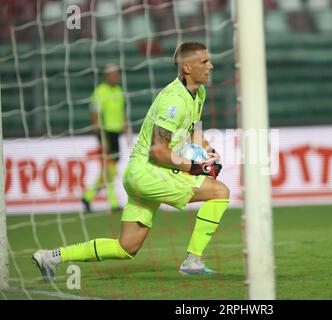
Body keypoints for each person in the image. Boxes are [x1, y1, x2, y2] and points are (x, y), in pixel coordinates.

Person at [32, 41, 229, 279]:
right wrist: (196, 167)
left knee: (127, 247)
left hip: (143, 174)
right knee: (219, 192)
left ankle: (52, 257)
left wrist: (207, 151)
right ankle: (193, 260)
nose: (211, 66)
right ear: (187, 68)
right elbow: (158, 151)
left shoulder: (199, 93)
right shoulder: (173, 101)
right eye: (204, 62)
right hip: (149, 171)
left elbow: (192, 129)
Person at [81, 63, 127, 213]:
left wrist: (125, 126)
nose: (116, 77)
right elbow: (95, 115)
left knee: (108, 169)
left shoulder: (119, 90)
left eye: (117, 74)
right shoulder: (100, 91)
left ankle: (88, 197)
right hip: (105, 133)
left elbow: (121, 111)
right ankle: (112, 202)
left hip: (116, 133)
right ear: (107, 76)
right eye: (113, 74)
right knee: (110, 168)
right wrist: (101, 138)